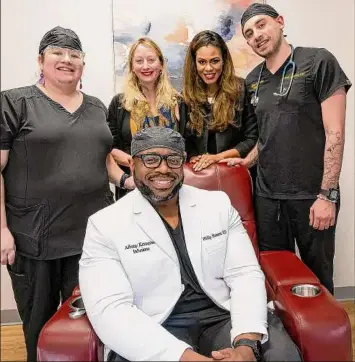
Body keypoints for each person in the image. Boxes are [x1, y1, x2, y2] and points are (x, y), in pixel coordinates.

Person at [79, 127, 301, 362]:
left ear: (182, 164)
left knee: (281, 356)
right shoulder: (104, 225)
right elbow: (111, 311)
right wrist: (188, 358)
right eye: (150, 159)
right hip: (154, 323)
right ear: (133, 166)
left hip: (221, 315)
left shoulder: (217, 205)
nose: (163, 168)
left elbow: (245, 274)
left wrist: (246, 347)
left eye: (173, 160)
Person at [0, 26, 124, 362]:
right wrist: (2, 230)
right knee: (39, 327)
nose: (66, 60)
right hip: (34, 237)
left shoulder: (97, 107)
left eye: (74, 55)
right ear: (41, 60)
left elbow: (103, 158)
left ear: (83, 64)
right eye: (57, 52)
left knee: (88, 322)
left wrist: (129, 181)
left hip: (90, 236)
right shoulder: (14, 102)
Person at [223, 3, 352, 294]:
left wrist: (327, 195)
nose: (256, 35)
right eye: (249, 32)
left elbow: (335, 133)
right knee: (275, 277)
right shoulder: (254, 81)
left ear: (280, 22)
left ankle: (322, 339)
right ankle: (284, 339)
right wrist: (246, 162)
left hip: (311, 195)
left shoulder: (318, 62)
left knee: (317, 280)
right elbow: (265, 136)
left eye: (261, 25)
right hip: (268, 198)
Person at [108, 37, 186, 199]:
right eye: (139, 61)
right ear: (132, 67)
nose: (145, 66)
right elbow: (109, 148)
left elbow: (188, 146)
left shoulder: (177, 102)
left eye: (151, 60)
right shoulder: (120, 103)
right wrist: (143, 164)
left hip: (172, 186)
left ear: (161, 65)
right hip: (134, 187)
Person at [182, 30, 258, 176]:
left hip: (234, 174)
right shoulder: (187, 97)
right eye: (202, 62)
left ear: (224, 60)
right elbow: (185, 140)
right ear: (194, 63)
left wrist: (217, 158)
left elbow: (251, 139)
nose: (209, 68)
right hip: (199, 175)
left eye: (215, 61)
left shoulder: (241, 89)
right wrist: (193, 156)